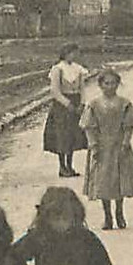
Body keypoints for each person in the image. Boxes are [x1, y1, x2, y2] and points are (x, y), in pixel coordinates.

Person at [80, 68, 133, 231]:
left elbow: (129, 125)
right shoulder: (94, 105)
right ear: (100, 85)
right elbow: (89, 127)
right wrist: (93, 145)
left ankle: (119, 212)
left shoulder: (124, 103)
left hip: (119, 145)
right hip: (102, 147)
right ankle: (107, 215)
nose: (110, 87)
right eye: (106, 83)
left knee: (119, 179)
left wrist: (125, 142)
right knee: (103, 181)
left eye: (114, 83)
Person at [43, 44, 90, 178]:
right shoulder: (58, 69)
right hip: (61, 106)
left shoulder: (78, 69)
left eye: (75, 53)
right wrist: (67, 104)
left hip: (75, 102)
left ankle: (70, 165)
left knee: (72, 135)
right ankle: (62, 166)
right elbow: (55, 91)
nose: (73, 56)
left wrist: (82, 103)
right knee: (62, 135)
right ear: (65, 53)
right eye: (71, 53)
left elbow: (82, 88)